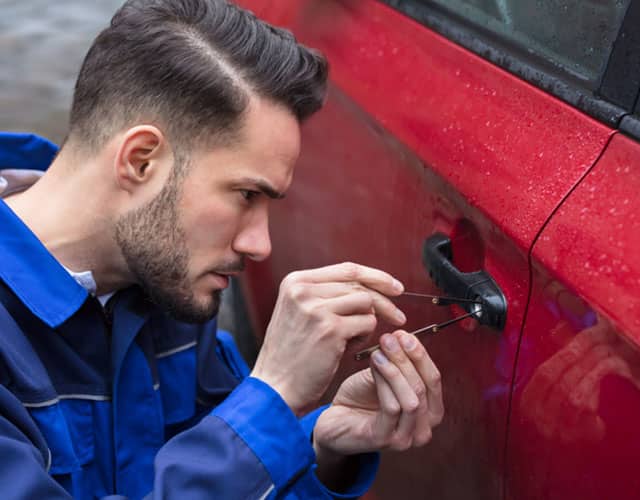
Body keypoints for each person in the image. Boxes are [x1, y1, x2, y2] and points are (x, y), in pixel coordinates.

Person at [0, 0, 444, 498]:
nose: (259, 245)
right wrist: (271, 394)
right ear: (142, 161)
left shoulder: (164, 280)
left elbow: (231, 467)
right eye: (246, 196)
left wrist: (320, 449)